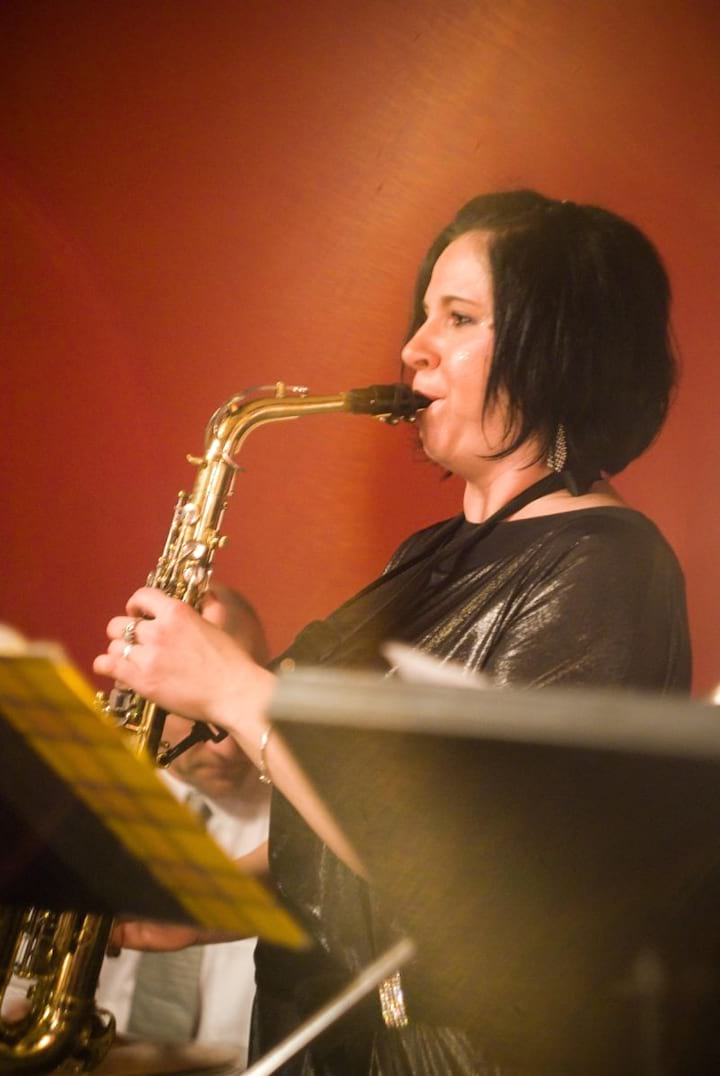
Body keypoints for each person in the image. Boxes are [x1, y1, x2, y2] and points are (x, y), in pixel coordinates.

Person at [94, 190, 691, 1074]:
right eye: (425, 314)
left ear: (560, 347)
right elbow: (365, 843)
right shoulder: (428, 553)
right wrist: (213, 899)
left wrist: (237, 690)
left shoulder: (609, 566)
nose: (414, 347)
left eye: (459, 317)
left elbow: (487, 872)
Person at [96, 585, 271, 1068]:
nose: (227, 748)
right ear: (140, 689)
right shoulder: (80, 801)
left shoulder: (300, 816)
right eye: (196, 711)